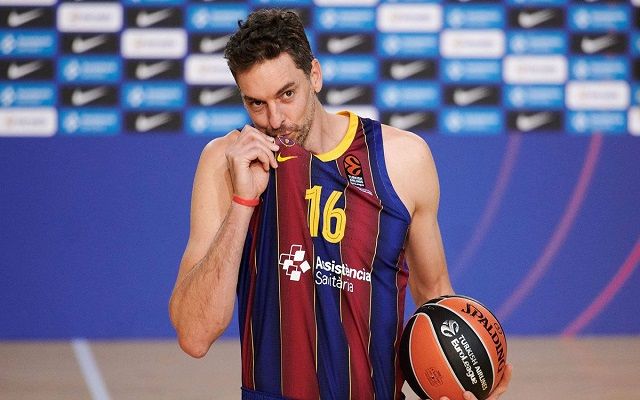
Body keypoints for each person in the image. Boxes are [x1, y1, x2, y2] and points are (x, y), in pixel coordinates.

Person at [169, 8, 511, 400]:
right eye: (256, 103)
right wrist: (243, 202)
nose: (275, 119)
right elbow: (194, 336)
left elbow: (435, 297)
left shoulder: (401, 159)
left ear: (314, 75)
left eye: (286, 94)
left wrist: (463, 378)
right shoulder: (226, 162)